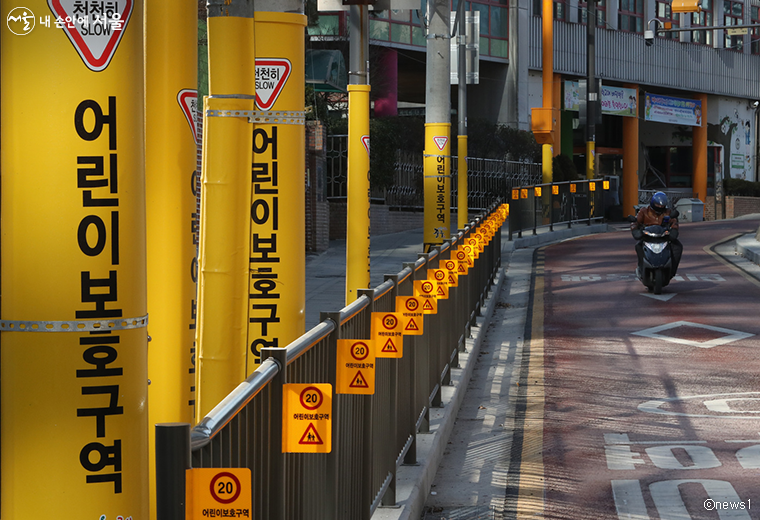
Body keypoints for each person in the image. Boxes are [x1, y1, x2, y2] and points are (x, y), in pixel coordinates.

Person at [631, 191, 682, 278]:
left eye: (662, 206)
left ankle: (672, 270)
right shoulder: (644, 211)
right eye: (658, 205)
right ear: (653, 203)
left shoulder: (668, 212)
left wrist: (674, 230)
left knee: (678, 247)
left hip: (664, 237)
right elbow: (636, 222)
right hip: (648, 237)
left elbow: (674, 222)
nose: (660, 207)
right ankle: (641, 267)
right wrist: (635, 230)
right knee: (638, 246)